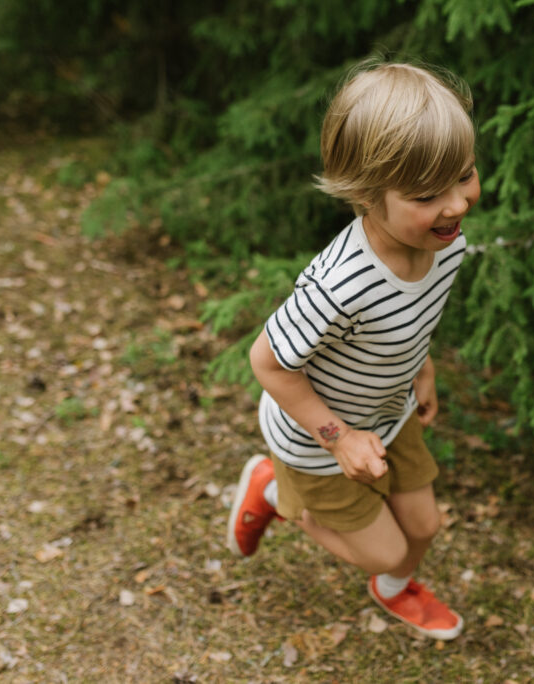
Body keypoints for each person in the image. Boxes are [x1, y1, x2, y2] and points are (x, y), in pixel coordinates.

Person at [225, 61, 480, 641]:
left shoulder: (444, 243)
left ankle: (394, 591)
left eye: (463, 176)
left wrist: (423, 372)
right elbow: (267, 361)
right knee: (387, 550)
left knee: (425, 524)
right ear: (367, 195)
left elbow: (413, 319)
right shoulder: (339, 285)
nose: (457, 205)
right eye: (428, 194)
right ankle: (272, 488)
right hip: (317, 441)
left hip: (389, 414)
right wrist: (338, 437)